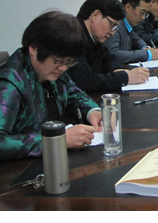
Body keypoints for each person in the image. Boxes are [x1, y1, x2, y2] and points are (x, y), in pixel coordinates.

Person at [0, 11, 102, 161]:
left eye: (69, 62)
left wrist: (93, 111)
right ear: (33, 48)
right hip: (20, 169)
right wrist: (57, 140)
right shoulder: (11, 84)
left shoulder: (53, 70)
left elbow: (73, 93)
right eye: (57, 61)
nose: (63, 68)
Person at [69, 0, 149, 93]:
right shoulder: (72, 38)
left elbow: (109, 58)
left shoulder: (93, 37)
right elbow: (85, 81)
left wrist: (118, 70)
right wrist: (125, 77)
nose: (112, 32)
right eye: (112, 25)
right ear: (95, 15)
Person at [104, 0, 158, 64]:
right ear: (128, 7)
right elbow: (113, 54)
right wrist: (146, 54)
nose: (143, 17)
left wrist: (146, 48)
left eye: (145, 14)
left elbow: (135, 39)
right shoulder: (115, 25)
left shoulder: (127, 24)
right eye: (142, 12)